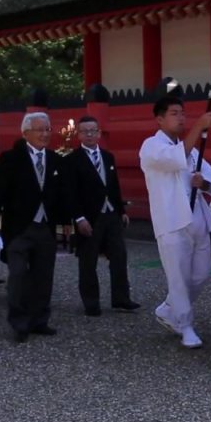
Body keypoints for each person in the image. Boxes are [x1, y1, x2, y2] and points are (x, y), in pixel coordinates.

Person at [139, 95, 211, 349]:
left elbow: (209, 178)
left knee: (202, 272)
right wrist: (199, 126)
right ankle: (185, 325)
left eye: (183, 113)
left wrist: (202, 183)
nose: (181, 118)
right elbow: (175, 158)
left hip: (197, 217)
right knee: (179, 277)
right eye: (174, 113)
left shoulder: (191, 149)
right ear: (160, 119)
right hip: (171, 221)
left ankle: (169, 308)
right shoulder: (151, 146)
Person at [0, 112, 67, 343]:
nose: (45, 134)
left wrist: (66, 221)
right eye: (39, 129)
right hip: (19, 226)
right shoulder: (11, 158)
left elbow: (62, 193)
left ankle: (40, 319)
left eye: (47, 129)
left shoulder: (55, 159)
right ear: (26, 133)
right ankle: (19, 322)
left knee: (44, 275)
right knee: (18, 275)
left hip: (45, 226)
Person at [67, 116, 139, 317]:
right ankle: (91, 302)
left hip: (111, 213)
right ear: (79, 134)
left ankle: (121, 298)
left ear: (99, 132)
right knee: (88, 260)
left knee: (119, 256)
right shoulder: (72, 160)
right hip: (89, 215)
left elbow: (114, 185)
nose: (89, 134)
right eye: (85, 131)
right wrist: (79, 218)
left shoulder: (108, 157)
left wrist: (121, 210)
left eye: (93, 130)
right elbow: (71, 192)